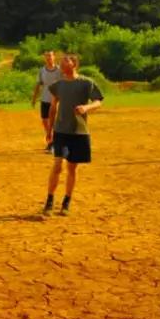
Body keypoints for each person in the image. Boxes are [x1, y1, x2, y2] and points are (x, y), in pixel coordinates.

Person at [42, 54, 102, 217]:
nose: (61, 64)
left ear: (74, 64)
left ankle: (66, 201)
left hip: (78, 130)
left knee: (72, 168)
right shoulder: (58, 85)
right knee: (57, 165)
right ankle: (49, 200)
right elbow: (53, 107)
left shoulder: (86, 83)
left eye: (65, 61)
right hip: (61, 130)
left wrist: (86, 108)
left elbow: (98, 101)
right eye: (60, 61)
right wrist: (49, 129)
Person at [31, 50, 62, 152]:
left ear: (54, 57)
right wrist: (34, 98)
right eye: (47, 56)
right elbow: (38, 85)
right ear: (44, 58)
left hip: (56, 99)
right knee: (45, 120)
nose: (49, 58)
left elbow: (64, 83)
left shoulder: (59, 70)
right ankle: (51, 139)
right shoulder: (42, 70)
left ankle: (53, 142)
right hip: (44, 98)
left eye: (50, 55)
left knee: (54, 121)